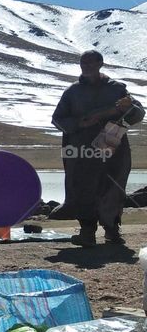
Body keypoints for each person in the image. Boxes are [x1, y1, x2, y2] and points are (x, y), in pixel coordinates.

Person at [52, 50, 144, 247]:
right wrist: (79, 124)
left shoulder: (117, 89)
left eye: (90, 63)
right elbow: (57, 119)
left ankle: (112, 231)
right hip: (82, 151)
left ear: (100, 64)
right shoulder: (72, 92)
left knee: (112, 187)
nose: (86, 66)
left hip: (113, 150)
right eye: (83, 63)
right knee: (83, 188)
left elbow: (137, 114)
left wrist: (130, 108)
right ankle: (87, 231)